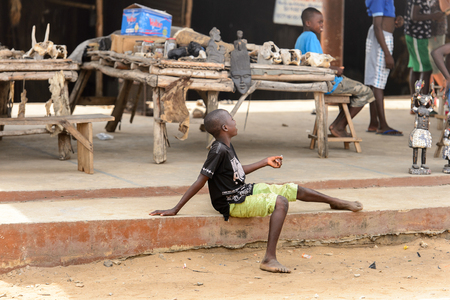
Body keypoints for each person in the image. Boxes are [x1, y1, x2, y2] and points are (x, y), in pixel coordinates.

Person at [150, 109, 363, 274]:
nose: (235, 122)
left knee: (291, 188)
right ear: (225, 127)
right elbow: (200, 180)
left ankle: (334, 202)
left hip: (241, 190)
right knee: (280, 202)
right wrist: (175, 208)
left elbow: (236, 172)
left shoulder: (227, 145)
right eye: (232, 119)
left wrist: (264, 162)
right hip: (231, 202)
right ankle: (269, 258)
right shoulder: (217, 150)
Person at [295, 7, 375, 138]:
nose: (322, 25)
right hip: (327, 82)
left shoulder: (301, 38)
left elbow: (313, 62)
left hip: (317, 81)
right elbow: (317, 64)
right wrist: (335, 69)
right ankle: (338, 126)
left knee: (353, 95)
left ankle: (337, 125)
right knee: (366, 92)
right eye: (319, 22)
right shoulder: (311, 37)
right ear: (308, 23)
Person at [365, 0, 404, 136]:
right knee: (378, 83)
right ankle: (383, 125)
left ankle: (373, 123)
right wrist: (387, 54)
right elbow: (377, 26)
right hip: (381, 38)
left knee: (374, 81)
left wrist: (395, 21)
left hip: (381, 36)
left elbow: (382, 21)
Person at [404, 0, 445, 96]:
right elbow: (414, 16)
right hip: (417, 35)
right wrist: (433, 16)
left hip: (420, 36)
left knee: (417, 68)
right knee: (426, 69)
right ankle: (423, 103)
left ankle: (416, 103)